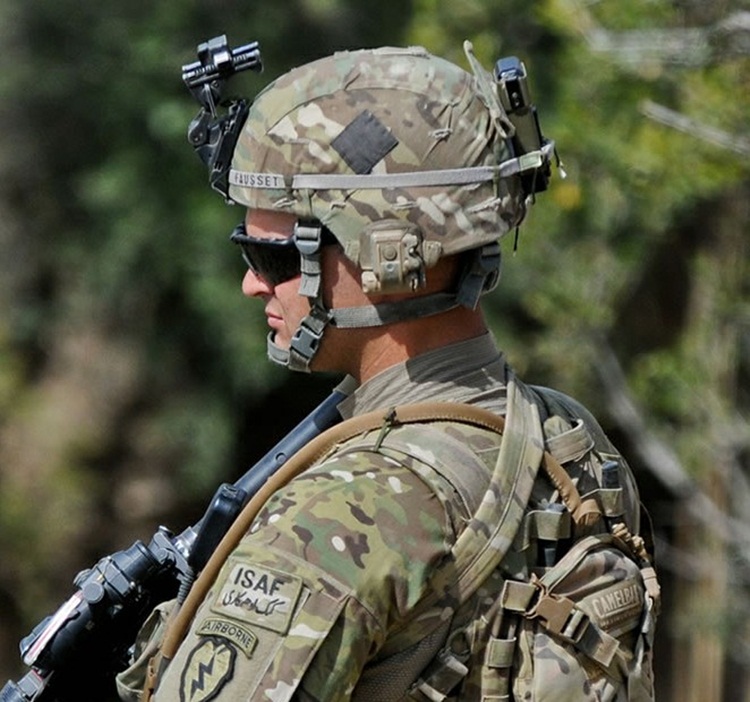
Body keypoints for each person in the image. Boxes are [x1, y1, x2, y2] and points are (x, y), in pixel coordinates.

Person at [118, 42, 658, 701]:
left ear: (388, 255)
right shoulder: (572, 442)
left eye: (272, 257)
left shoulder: (337, 516)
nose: (252, 284)